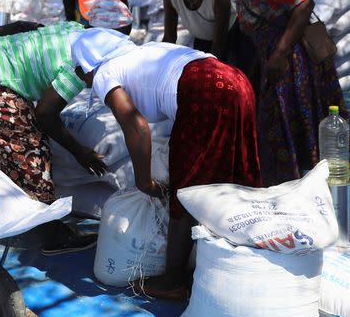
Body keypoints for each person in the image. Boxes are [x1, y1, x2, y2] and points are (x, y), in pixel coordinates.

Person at [71, 28, 261, 299]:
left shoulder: (104, 73)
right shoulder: (143, 53)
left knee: (184, 188)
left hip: (204, 92)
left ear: (88, 63)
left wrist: (143, 180)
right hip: (236, 80)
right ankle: (248, 262)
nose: (79, 76)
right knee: (233, 177)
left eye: (78, 68)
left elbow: (135, 125)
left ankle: (173, 280)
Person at [209, 0, 350, 187]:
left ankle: (308, 182)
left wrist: (280, 53)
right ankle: (293, 183)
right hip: (272, 58)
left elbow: (303, 4)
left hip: (291, 58)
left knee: (294, 116)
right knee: (278, 121)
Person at [0, 21, 105, 255]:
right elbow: (44, 114)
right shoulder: (78, 69)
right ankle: (53, 235)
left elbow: (5, 29)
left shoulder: (74, 29)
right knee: (30, 149)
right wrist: (79, 152)